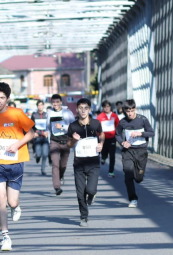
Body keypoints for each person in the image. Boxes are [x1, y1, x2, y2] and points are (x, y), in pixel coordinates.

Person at [0, 82, 35, 251]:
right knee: (0, 196)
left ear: (8, 98)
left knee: (12, 201)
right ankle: (5, 237)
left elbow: (31, 133)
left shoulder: (17, 113)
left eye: (2, 98)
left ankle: (15, 207)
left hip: (15, 161)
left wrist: (17, 144)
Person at [68, 99, 104, 227]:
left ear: (89, 109)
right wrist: (74, 140)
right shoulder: (73, 126)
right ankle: (84, 217)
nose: (83, 110)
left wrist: (101, 144)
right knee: (80, 193)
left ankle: (92, 194)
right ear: (77, 109)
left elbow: (102, 134)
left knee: (90, 190)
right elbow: (68, 144)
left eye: (86, 108)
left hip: (93, 162)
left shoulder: (95, 123)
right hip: (79, 163)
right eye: (80, 108)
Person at [115, 99, 154, 208]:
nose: (130, 113)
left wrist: (140, 133)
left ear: (135, 109)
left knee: (138, 178)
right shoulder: (122, 122)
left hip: (141, 151)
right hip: (128, 151)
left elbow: (151, 133)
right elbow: (117, 134)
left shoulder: (142, 119)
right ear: (124, 111)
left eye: (132, 111)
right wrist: (122, 142)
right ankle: (133, 199)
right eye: (128, 111)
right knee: (128, 174)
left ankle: (140, 174)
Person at [47, 94, 76, 195]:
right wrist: (48, 140)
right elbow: (48, 128)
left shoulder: (67, 112)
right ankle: (57, 187)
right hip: (54, 141)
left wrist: (62, 126)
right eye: (53, 102)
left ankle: (61, 176)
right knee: (55, 164)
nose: (55, 104)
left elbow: (74, 126)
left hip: (66, 141)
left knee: (63, 165)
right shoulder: (50, 113)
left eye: (57, 102)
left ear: (61, 102)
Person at [96, 100, 120, 178]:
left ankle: (111, 172)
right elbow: (97, 127)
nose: (107, 108)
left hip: (112, 138)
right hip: (103, 138)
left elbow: (117, 124)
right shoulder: (100, 117)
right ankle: (103, 158)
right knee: (104, 151)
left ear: (110, 107)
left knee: (112, 155)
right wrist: (98, 135)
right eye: (105, 107)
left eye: (108, 106)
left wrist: (116, 132)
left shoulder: (114, 115)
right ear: (103, 108)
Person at [31, 101, 50, 175]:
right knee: (38, 154)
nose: (40, 106)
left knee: (45, 154)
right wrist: (34, 133)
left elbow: (49, 125)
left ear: (43, 106)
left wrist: (48, 132)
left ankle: (43, 169)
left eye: (41, 105)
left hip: (45, 137)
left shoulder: (47, 115)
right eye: (39, 105)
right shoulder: (34, 115)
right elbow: (31, 126)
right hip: (38, 137)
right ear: (37, 106)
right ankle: (37, 157)